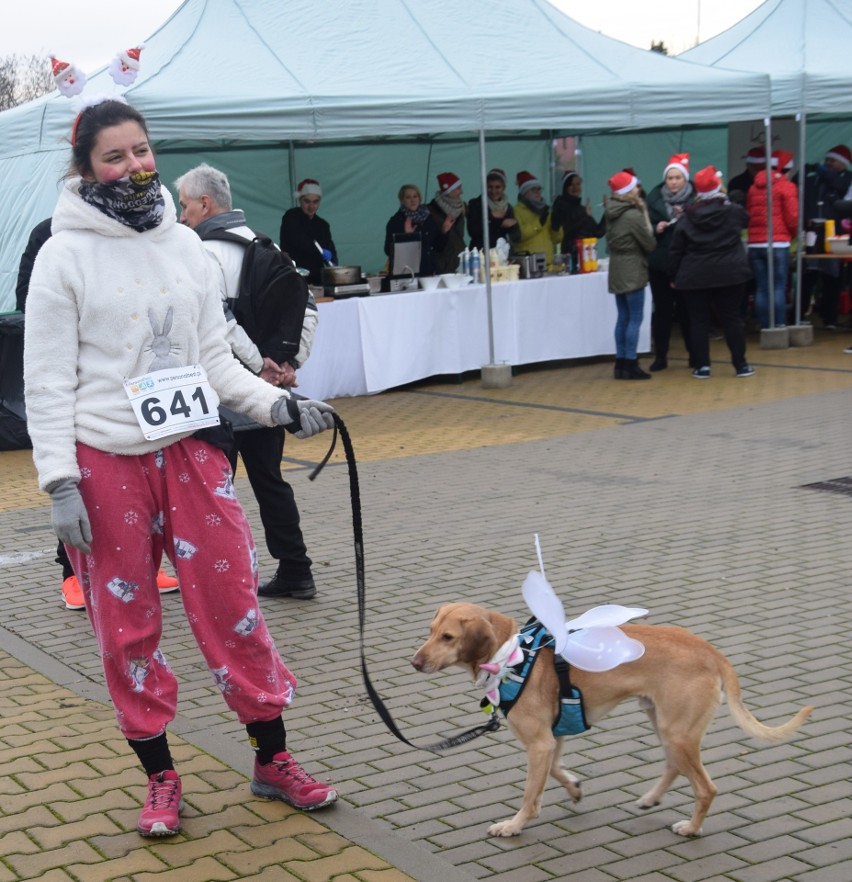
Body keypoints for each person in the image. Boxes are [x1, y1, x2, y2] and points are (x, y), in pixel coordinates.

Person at [23, 98, 339, 838]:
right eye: (114, 156)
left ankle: (272, 759)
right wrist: (59, 481)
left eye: (140, 150)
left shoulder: (184, 245)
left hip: (192, 449)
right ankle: (161, 777)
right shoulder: (62, 255)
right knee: (127, 625)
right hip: (106, 462)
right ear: (85, 167)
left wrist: (277, 407)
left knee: (233, 605)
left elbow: (211, 362)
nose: (133, 165)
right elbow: (47, 382)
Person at [16, 217, 179, 610]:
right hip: (85, 390)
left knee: (142, 490)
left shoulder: (142, 232)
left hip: (144, 387)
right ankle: (72, 573)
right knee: (80, 486)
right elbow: (30, 299)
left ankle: (146, 564)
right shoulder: (50, 234)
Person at [175, 163, 320, 600]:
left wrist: (259, 368)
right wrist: (289, 363)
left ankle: (220, 581)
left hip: (222, 394)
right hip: (268, 396)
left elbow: (221, 323)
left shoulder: (200, 254)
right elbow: (308, 309)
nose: (181, 217)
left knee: (212, 495)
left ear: (205, 203)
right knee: (271, 483)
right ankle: (296, 570)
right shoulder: (270, 246)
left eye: (184, 206)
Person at [669, 166, 754, 379]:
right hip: (731, 272)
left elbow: (676, 249)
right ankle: (741, 365)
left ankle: (703, 366)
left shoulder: (687, 217)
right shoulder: (733, 211)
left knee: (699, 321)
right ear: (718, 186)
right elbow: (746, 220)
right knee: (731, 319)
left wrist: (674, 275)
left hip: (695, 274)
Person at [645, 153, 696, 371]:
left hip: (687, 265)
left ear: (685, 179)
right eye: (670, 178)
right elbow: (644, 230)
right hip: (661, 264)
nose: (673, 182)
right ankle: (661, 356)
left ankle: (695, 355)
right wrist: (655, 229)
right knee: (663, 312)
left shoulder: (696, 200)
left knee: (688, 312)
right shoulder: (654, 200)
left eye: (677, 178)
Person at [603, 171, 656, 380]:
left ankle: (620, 363)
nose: (638, 190)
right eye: (635, 187)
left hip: (617, 266)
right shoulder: (633, 214)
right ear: (627, 192)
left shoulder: (611, 211)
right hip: (633, 267)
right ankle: (631, 362)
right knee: (635, 317)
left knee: (622, 317)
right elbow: (649, 244)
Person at [799, 144, 852, 328]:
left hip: (835, 234)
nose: (828, 163)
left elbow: (839, 185)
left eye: (832, 161)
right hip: (813, 231)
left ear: (844, 164)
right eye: (827, 160)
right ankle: (799, 315)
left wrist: (822, 171)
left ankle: (830, 317)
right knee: (808, 276)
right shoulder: (817, 179)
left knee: (833, 278)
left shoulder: (846, 178)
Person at [746, 149, 799, 329]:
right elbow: (793, 217)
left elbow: (749, 213)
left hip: (755, 243)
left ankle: (764, 326)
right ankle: (779, 325)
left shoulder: (753, 187)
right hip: (778, 243)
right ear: (787, 169)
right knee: (778, 286)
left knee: (761, 287)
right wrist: (793, 234)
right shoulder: (787, 186)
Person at [279, 178, 337, 284]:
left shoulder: (323, 225)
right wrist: (319, 250)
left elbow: (330, 248)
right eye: (307, 201)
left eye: (315, 202)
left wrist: (331, 256)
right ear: (300, 200)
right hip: (294, 276)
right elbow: (299, 240)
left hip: (317, 279)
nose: (311, 206)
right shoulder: (291, 217)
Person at [383, 183, 449, 277]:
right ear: (402, 200)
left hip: (429, 272)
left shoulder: (428, 218)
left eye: (415, 196)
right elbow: (388, 250)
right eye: (408, 197)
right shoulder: (396, 221)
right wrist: (406, 237)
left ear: (419, 198)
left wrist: (444, 232)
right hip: (407, 275)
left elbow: (437, 247)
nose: (413, 200)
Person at [550, 171, 606, 268]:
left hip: (587, 258)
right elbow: (566, 231)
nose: (576, 188)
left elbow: (598, 232)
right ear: (565, 187)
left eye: (578, 184)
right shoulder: (560, 205)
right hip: (572, 259)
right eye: (571, 185)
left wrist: (608, 212)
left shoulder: (582, 209)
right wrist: (586, 216)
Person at [513, 171, 562, 269]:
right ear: (524, 193)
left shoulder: (547, 210)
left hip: (549, 265)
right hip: (529, 267)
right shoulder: (516, 211)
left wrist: (556, 227)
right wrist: (538, 223)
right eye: (533, 190)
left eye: (539, 189)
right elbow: (518, 236)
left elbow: (556, 239)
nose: (537, 193)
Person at [467, 168, 520, 252]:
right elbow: (473, 231)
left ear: (504, 188)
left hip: (501, 253)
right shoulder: (475, 204)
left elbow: (516, 236)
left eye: (497, 187)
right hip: (481, 252)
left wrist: (514, 225)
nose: (493, 191)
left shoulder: (508, 207)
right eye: (490, 187)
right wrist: (492, 217)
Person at [427, 172, 467, 274]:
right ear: (448, 191)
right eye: (458, 188)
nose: (461, 191)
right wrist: (443, 232)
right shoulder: (430, 211)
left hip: (462, 262)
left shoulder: (461, 207)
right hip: (442, 266)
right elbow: (431, 243)